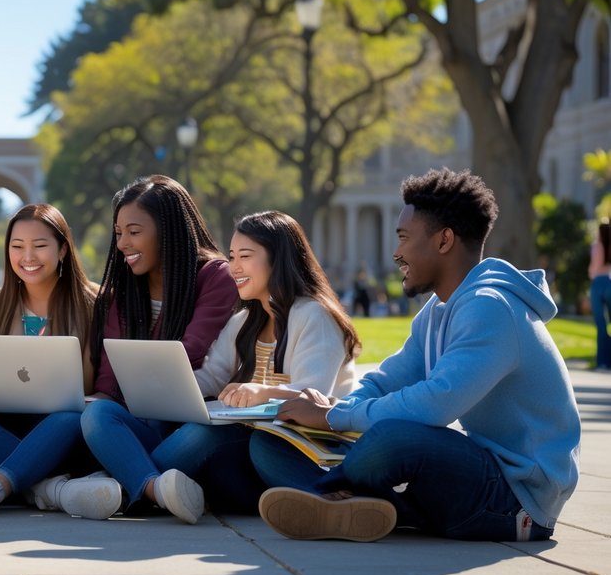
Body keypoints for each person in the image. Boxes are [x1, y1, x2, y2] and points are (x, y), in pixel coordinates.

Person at [253, 169, 581, 543]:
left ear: (444, 241)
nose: (396, 253)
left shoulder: (491, 307)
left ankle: (324, 493)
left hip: (518, 500)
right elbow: (386, 380)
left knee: (395, 439)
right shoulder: (439, 309)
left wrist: (332, 418)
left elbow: (435, 404)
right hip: (472, 480)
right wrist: (334, 409)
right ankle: (350, 504)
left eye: (404, 238)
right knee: (272, 441)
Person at [0, 203, 117, 519]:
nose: (28, 257)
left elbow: (95, 386)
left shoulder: (96, 305)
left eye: (40, 246)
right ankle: (54, 490)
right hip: (6, 427)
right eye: (17, 247)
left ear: (63, 249)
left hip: (67, 432)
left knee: (67, 418)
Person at [169, 211, 360, 513]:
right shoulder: (243, 321)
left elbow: (314, 395)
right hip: (254, 450)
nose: (234, 267)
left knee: (234, 440)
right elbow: (212, 377)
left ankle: (137, 486)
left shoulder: (314, 315)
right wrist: (169, 387)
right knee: (202, 439)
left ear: (279, 258)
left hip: (308, 448)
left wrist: (261, 392)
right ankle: (146, 484)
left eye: (245, 256)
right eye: (231, 257)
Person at [79, 175, 239, 524]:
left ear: (167, 230)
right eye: (119, 233)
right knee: (94, 416)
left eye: (134, 232)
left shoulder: (215, 277)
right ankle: (157, 490)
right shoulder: (122, 291)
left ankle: (121, 479)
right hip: (141, 423)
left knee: (207, 431)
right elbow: (108, 383)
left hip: (192, 423)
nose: (122, 243)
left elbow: (189, 353)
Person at [589, 221, 611, 372]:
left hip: (597, 283)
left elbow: (594, 268)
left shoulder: (597, 246)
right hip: (610, 282)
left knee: (601, 325)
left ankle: (602, 363)